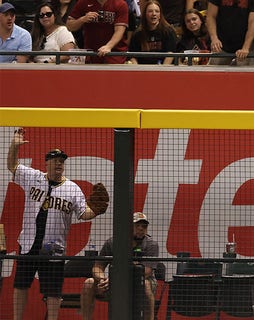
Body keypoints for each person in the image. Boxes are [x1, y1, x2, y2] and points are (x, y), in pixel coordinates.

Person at [7, 128, 104, 320]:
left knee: (53, 292)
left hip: (54, 248)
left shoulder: (72, 188)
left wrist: (97, 210)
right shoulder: (33, 176)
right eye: (55, 160)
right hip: (28, 243)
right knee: (21, 285)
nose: (59, 163)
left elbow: (83, 214)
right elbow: (12, 165)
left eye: (62, 161)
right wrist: (14, 146)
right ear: (47, 163)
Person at [81, 212, 159, 320]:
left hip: (141, 282)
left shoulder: (151, 244)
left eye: (144, 226)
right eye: (137, 225)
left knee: (145, 284)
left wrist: (115, 280)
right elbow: (98, 267)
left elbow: (146, 272)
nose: (141, 228)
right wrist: (102, 280)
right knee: (89, 283)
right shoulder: (113, 242)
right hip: (114, 283)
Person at [206, 0, 254, 65]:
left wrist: (246, 47)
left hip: (245, 43)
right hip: (221, 43)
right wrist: (214, 38)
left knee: (245, 73)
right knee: (213, 73)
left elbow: (253, 23)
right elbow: (210, 16)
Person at [128, 0, 178, 64]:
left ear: (160, 15)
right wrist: (137, 69)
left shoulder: (168, 32)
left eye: (157, 11)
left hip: (163, 69)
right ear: (145, 14)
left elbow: (170, 54)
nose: (154, 14)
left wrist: (162, 71)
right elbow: (133, 56)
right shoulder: (137, 34)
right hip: (143, 69)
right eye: (150, 11)